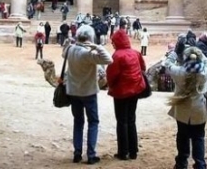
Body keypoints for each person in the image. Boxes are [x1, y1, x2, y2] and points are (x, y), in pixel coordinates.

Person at [63, 25, 113, 164]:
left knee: (78, 122)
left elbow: (63, 54)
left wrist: (69, 43)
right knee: (93, 122)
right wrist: (97, 47)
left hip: (73, 92)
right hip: (89, 92)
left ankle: (77, 153)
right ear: (91, 37)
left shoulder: (71, 50)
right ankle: (91, 154)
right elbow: (109, 60)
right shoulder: (88, 54)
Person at [166, 42, 207, 169]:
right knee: (199, 137)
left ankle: (181, 162)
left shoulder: (179, 72)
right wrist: (198, 52)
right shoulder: (205, 73)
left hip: (182, 109)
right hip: (199, 109)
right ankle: (200, 164)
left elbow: (167, 64)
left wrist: (175, 53)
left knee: (182, 136)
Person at [106, 30, 147, 161]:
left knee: (122, 121)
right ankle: (133, 151)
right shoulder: (136, 53)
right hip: (135, 90)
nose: (112, 44)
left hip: (121, 92)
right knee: (131, 119)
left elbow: (111, 75)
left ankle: (123, 152)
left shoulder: (116, 56)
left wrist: (111, 85)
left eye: (113, 41)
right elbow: (143, 68)